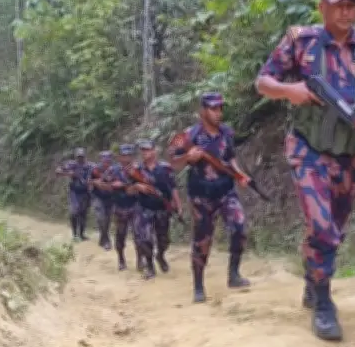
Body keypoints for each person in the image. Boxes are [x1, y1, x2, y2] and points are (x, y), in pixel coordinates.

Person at [254, 0, 355, 341]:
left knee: (335, 229)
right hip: (308, 149)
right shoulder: (302, 41)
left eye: (352, 5)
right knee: (322, 227)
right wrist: (290, 90)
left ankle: (313, 280)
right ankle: (324, 303)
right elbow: (263, 82)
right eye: (339, 5)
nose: (346, 12)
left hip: (350, 152)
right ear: (323, 7)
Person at [168, 92, 252, 303]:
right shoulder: (187, 135)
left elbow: (229, 158)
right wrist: (188, 157)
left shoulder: (226, 133)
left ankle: (233, 274)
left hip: (225, 191)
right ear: (202, 111)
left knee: (239, 227)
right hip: (201, 197)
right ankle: (198, 285)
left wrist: (239, 174)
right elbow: (171, 163)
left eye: (220, 108)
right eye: (213, 109)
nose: (218, 113)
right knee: (202, 241)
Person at [131, 139, 183, 279]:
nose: (145, 153)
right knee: (145, 238)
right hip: (144, 208)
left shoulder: (165, 168)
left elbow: (173, 188)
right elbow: (127, 189)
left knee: (164, 240)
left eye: (147, 149)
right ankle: (150, 266)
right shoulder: (136, 170)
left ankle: (160, 256)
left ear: (154, 151)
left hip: (162, 209)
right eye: (142, 150)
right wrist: (137, 187)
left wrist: (178, 206)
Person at [100, 144, 140, 271]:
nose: (127, 158)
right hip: (119, 207)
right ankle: (121, 259)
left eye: (129, 155)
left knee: (140, 235)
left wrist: (124, 185)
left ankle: (140, 260)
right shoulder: (113, 170)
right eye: (124, 156)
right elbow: (102, 184)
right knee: (120, 235)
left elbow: (145, 184)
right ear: (120, 157)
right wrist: (112, 186)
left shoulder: (138, 169)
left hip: (135, 206)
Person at [55, 147, 94, 242]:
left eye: (82, 157)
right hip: (75, 192)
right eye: (78, 157)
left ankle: (81, 234)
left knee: (83, 213)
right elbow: (58, 171)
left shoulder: (90, 166)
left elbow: (98, 173)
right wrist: (69, 174)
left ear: (85, 156)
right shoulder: (71, 164)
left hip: (86, 192)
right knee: (74, 212)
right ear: (76, 157)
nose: (80, 159)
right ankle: (74, 234)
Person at [90, 150, 114, 250]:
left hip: (110, 197)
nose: (106, 162)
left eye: (108, 160)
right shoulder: (95, 169)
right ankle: (106, 240)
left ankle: (103, 237)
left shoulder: (114, 169)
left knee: (107, 219)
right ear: (101, 160)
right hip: (98, 196)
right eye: (104, 160)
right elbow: (89, 180)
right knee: (100, 218)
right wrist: (96, 182)